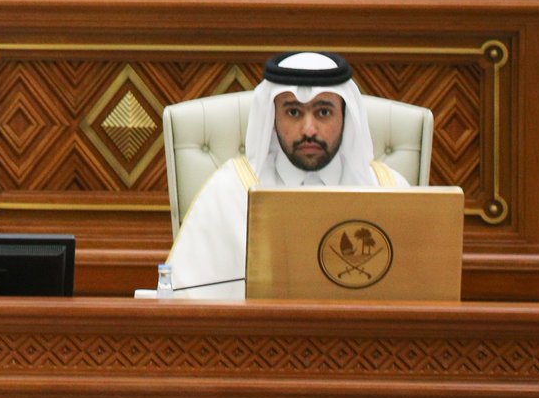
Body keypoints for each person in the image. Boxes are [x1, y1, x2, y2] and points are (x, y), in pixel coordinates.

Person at [164, 51, 409, 300]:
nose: (309, 130)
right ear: (272, 119)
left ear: (346, 117)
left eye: (323, 112)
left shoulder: (389, 190)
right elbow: (184, 299)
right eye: (293, 112)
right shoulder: (230, 191)